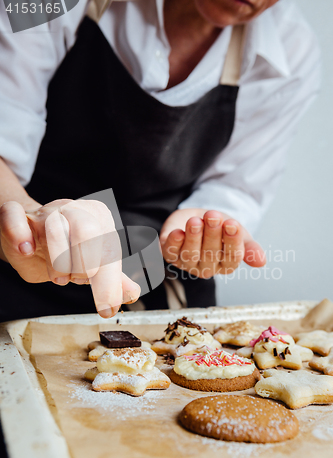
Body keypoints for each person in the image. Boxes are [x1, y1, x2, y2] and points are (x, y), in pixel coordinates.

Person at [0, 0, 320, 322]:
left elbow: (236, 186)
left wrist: (208, 226)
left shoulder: (290, 51)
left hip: (162, 294)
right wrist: (25, 219)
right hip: (30, 267)